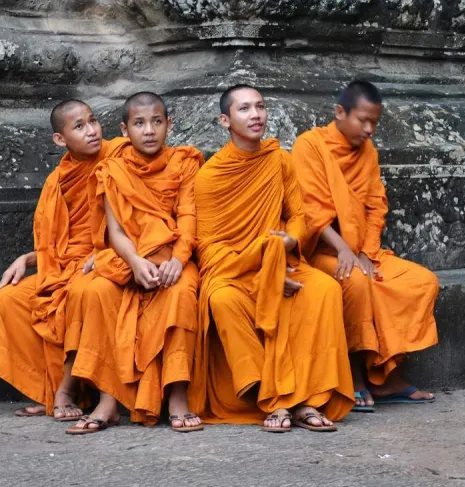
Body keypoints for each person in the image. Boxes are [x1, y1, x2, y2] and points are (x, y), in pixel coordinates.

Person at [188, 84, 354, 433]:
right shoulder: (209, 176)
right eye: (244, 109)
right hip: (236, 270)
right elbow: (208, 247)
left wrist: (292, 239)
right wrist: (263, 269)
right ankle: (275, 400)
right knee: (221, 299)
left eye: (260, 107)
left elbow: (299, 214)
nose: (256, 115)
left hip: (284, 261)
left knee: (323, 290)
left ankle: (310, 399)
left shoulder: (280, 160)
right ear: (225, 120)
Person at [292, 80, 439, 412]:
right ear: (340, 113)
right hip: (322, 252)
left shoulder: (367, 152)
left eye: (375, 122)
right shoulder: (310, 146)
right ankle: (356, 376)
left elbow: (376, 207)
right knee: (356, 283)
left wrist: (365, 253)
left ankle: (387, 376)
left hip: (361, 251)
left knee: (421, 282)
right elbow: (311, 209)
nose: (370, 129)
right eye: (363, 120)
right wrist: (344, 249)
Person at [66, 92, 205, 434]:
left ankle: (177, 395)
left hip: (173, 254)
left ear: (168, 125)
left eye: (157, 122)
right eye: (139, 123)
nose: (149, 131)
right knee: (98, 291)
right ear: (124, 130)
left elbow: (188, 215)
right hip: (131, 256)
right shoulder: (112, 169)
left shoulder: (185, 162)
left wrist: (179, 259)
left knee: (183, 291)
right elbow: (115, 229)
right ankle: (108, 399)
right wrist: (135, 261)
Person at [0, 100, 124, 422]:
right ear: (59, 140)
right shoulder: (58, 180)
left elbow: (141, 216)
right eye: (79, 127)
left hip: (109, 261)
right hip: (65, 266)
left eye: (93, 122)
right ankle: (48, 391)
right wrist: (29, 258)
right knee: (5, 301)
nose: (91, 131)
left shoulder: (120, 156)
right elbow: (60, 243)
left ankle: (67, 391)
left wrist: (108, 252)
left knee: (71, 299)